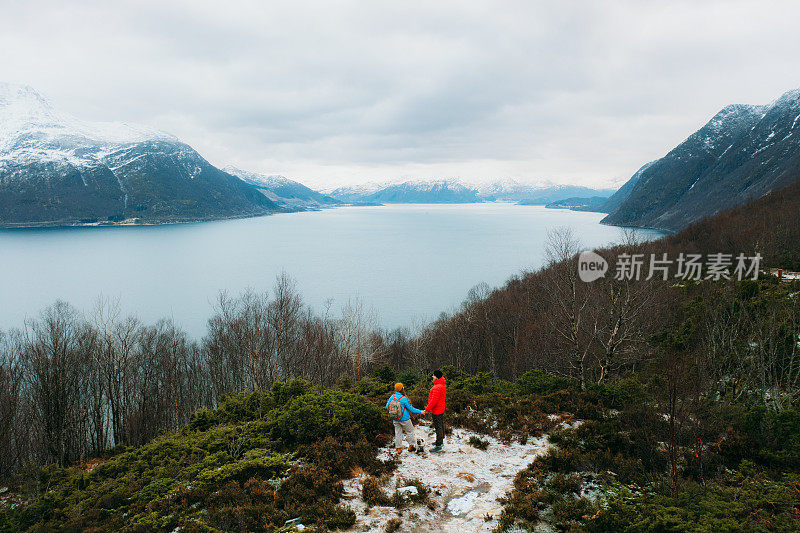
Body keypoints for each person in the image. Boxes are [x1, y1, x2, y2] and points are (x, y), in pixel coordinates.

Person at [386, 383, 422, 453]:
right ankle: (411, 446)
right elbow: (411, 409)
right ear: (402, 389)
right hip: (405, 419)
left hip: (395, 418)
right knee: (410, 431)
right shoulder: (404, 398)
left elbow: (387, 406)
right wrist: (420, 412)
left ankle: (398, 448)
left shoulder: (392, 397)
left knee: (398, 433)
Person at [422, 369, 447, 453]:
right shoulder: (442, 385)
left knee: (438, 426)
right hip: (440, 408)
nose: (432, 377)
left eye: (433, 375)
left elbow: (433, 401)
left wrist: (426, 409)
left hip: (437, 409)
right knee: (440, 424)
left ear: (436, 377)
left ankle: (439, 445)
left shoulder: (437, 387)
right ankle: (440, 440)